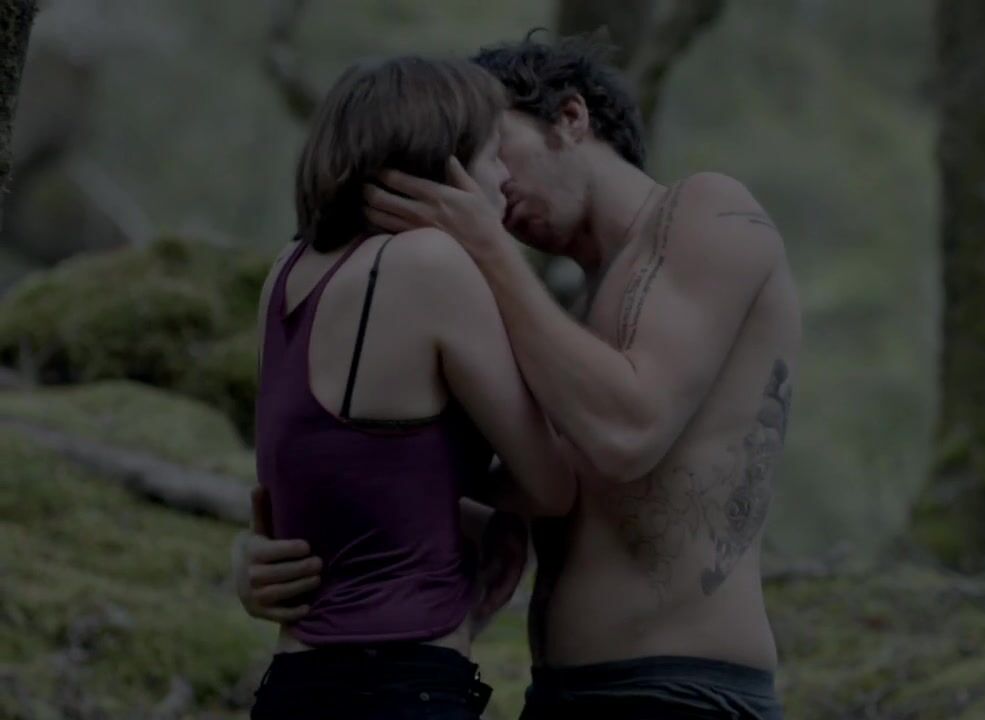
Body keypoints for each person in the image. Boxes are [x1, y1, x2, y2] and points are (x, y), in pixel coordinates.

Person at [238, 33, 800, 719]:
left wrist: (486, 249)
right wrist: (294, 557)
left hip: (685, 690)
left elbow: (627, 433)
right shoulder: (556, 320)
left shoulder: (709, 211)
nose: (491, 189)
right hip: (558, 690)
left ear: (570, 118)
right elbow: (467, 478)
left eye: (495, 150)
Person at [244, 54, 573, 720]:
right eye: (491, 155)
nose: (505, 177)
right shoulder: (430, 264)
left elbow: (344, 469)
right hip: (401, 685)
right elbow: (552, 483)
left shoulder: (288, 271)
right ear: (442, 165)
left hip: (292, 684)